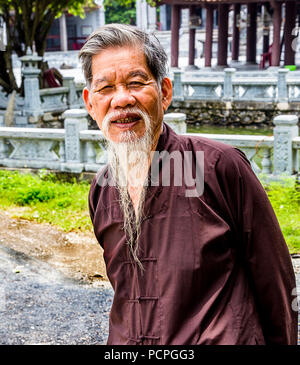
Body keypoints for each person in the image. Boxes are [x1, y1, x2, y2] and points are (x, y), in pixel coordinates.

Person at [79, 23, 298, 345]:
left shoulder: (219, 167)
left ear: (165, 91)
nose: (122, 99)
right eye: (106, 88)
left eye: (136, 83)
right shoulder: (102, 189)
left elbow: (275, 282)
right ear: (89, 103)